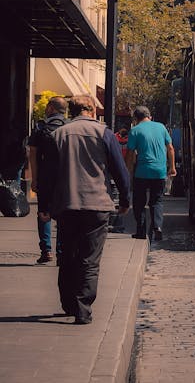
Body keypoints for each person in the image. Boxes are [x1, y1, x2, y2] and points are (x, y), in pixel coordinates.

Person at [37, 94, 130, 325]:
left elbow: (47, 175)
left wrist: (44, 206)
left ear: (72, 111)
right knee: (89, 258)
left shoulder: (57, 135)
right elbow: (120, 170)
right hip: (96, 204)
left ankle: (68, 304)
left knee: (67, 255)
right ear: (91, 110)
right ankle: (83, 308)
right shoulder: (104, 133)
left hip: (67, 204)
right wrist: (126, 200)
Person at [126, 106, 176, 241]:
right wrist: (172, 167)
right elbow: (170, 148)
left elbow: (130, 153)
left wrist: (128, 169)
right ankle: (157, 227)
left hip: (142, 171)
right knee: (157, 200)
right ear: (150, 116)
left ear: (135, 119)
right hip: (159, 171)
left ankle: (141, 231)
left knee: (139, 202)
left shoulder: (135, 131)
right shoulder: (161, 127)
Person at [28, 96, 68, 264]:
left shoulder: (40, 127)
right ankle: (60, 251)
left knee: (44, 212)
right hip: (64, 177)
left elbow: (33, 154)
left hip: (45, 176)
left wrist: (34, 178)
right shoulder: (69, 127)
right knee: (63, 215)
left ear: (51, 108)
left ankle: (46, 250)